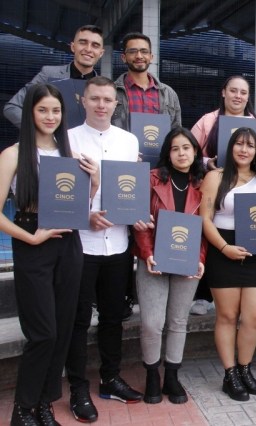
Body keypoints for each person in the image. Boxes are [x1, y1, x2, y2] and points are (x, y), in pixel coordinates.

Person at [0, 84, 99, 426]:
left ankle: (44, 403)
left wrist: (95, 185)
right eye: (43, 110)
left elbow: (77, 208)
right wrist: (30, 236)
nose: (50, 117)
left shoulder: (68, 155)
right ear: (30, 113)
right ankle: (22, 410)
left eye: (56, 111)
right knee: (42, 333)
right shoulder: (13, 155)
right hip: (34, 244)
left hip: (69, 245)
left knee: (62, 330)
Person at [65, 76, 143, 423]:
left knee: (114, 316)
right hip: (81, 245)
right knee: (78, 320)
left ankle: (110, 378)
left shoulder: (129, 141)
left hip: (119, 245)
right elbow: (59, 197)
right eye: (95, 98)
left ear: (116, 104)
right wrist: (86, 216)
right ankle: (79, 386)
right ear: (83, 100)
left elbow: (132, 192)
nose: (101, 105)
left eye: (107, 100)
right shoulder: (66, 140)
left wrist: (137, 215)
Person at [199, 127, 256, 401]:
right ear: (231, 147)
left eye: (250, 145)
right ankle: (230, 375)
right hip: (223, 247)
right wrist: (225, 248)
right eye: (239, 144)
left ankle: (245, 369)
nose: (244, 149)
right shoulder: (215, 177)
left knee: (254, 317)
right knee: (227, 316)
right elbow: (205, 218)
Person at [133, 127, 206, 405]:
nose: (181, 153)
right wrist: (147, 252)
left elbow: (204, 227)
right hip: (153, 260)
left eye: (186, 148)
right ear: (167, 153)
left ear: (195, 151)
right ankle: (152, 374)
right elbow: (141, 220)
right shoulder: (152, 179)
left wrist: (200, 258)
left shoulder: (202, 184)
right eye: (175, 148)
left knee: (178, 321)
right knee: (152, 323)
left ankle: (172, 376)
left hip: (187, 260)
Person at [3, 25, 104, 128]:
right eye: (83, 42)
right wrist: (38, 132)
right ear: (73, 46)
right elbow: (12, 107)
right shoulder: (49, 74)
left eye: (95, 45)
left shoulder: (104, 87)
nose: (88, 49)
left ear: (101, 53)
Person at [192, 75, 256, 169]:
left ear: (248, 97)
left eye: (243, 93)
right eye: (233, 91)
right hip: (215, 179)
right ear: (223, 92)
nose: (238, 96)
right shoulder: (207, 121)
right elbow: (190, 153)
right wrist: (207, 163)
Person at [112, 32, 182, 131]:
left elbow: (176, 130)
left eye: (144, 51)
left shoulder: (169, 94)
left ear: (151, 57)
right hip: (122, 146)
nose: (139, 56)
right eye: (132, 51)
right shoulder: (112, 92)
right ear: (124, 58)